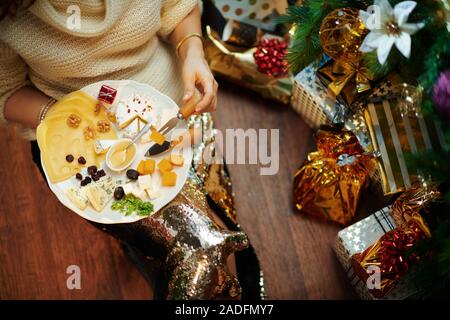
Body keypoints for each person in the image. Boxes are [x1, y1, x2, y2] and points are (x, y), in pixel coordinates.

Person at [0, 0, 218, 139]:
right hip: (81, 141)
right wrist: (66, 116)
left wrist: (193, 53)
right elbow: (6, 90)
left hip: (179, 108)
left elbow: (178, 7)